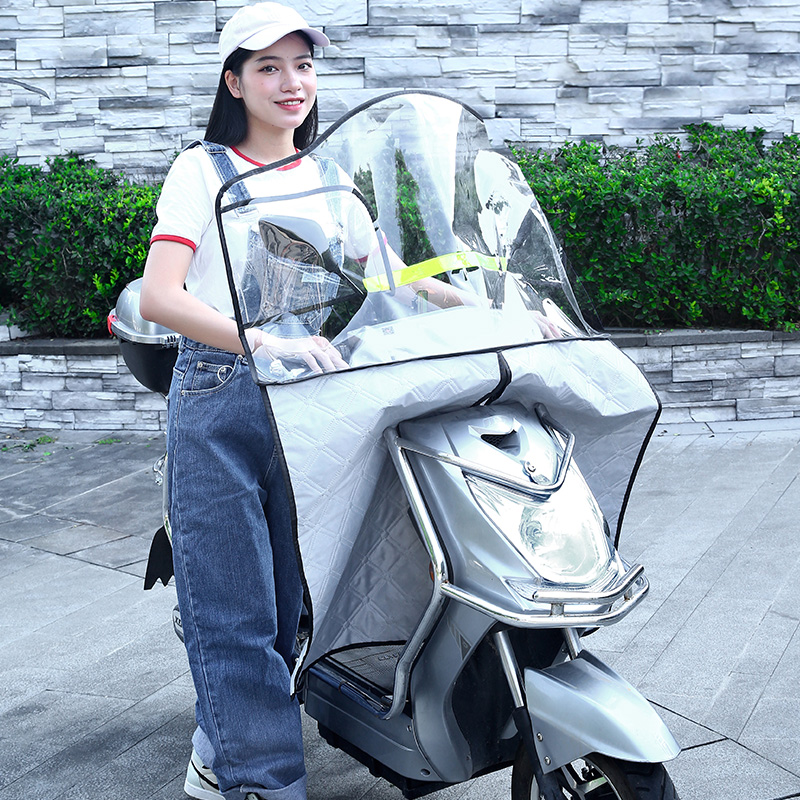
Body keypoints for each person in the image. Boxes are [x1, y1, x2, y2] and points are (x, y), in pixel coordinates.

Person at [139, 4, 340, 799]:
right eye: (269, 67)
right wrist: (257, 341)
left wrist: (488, 304)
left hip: (309, 400)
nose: (292, 83)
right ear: (234, 82)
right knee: (235, 609)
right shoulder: (203, 169)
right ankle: (260, 781)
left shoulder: (326, 174)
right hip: (221, 393)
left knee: (292, 605)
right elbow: (159, 296)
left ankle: (218, 742)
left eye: (304, 66)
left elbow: (390, 275)